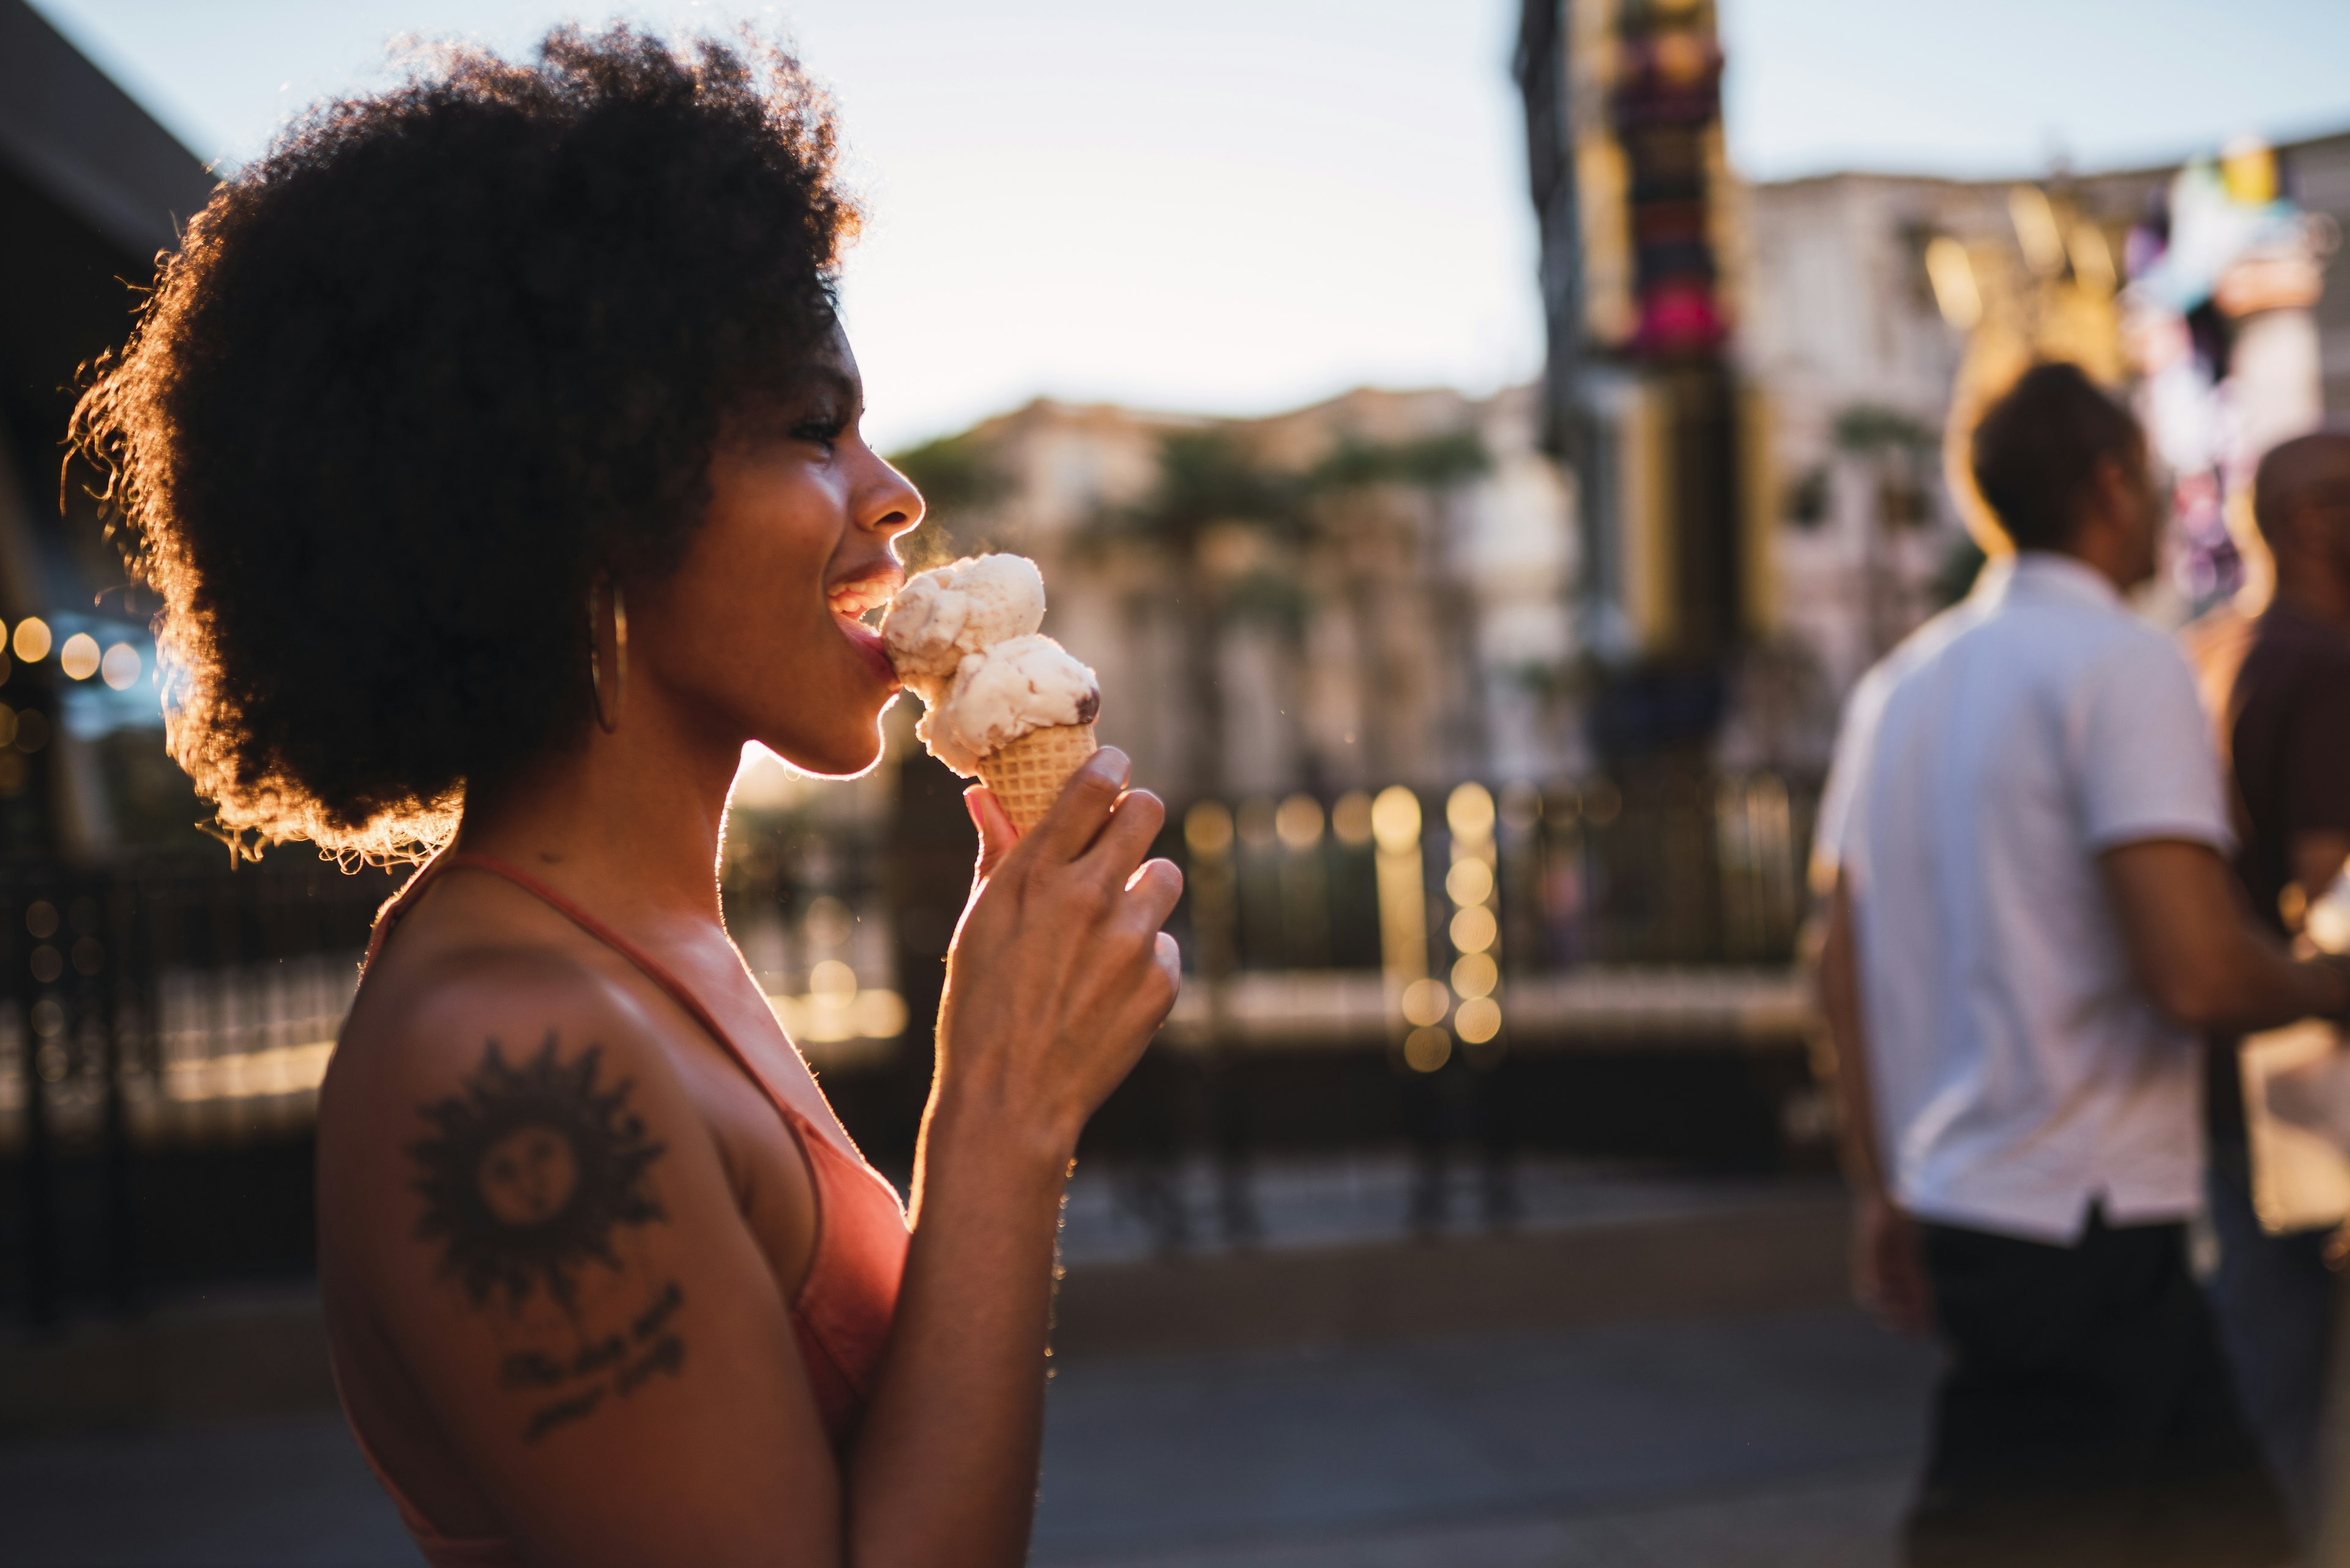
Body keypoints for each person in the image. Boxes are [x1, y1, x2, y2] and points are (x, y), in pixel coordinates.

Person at [67, 29, 1182, 1568]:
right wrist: (1004, 1112)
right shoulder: (505, 1067)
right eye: (810, 426)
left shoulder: (636, 954)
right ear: (583, 487)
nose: (891, 492)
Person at [1813, 362, 2348, 1567]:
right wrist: (2331, 984)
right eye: (2153, 476)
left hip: (2001, 1205)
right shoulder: (2121, 663)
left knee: (2227, 1534)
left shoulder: (1897, 688)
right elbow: (2198, 974)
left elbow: (1832, 959)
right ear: (2110, 484)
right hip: (2081, 1221)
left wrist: (1877, 1185)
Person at [2180, 428, 2350, 1540]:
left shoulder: (2213, 648)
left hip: (2234, 1064)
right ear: (2304, 519)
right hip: (2320, 1073)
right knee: (2288, 1389)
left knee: (2263, 1371)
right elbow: (2333, 883)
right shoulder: (2324, 662)